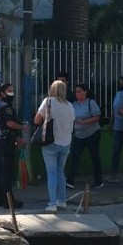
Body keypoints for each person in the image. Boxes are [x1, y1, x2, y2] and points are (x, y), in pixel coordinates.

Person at [35, 80, 75, 213]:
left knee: (51, 174)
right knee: (60, 173)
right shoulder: (70, 105)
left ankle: (52, 203)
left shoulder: (48, 102)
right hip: (66, 143)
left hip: (51, 142)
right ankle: (62, 201)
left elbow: (37, 120)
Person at [66, 83, 103, 190]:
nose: (77, 94)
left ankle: (98, 181)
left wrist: (84, 122)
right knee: (74, 157)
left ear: (85, 92)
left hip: (92, 133)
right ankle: (70, 181)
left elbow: (96, 117)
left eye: (79, 91)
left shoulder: (91, 103)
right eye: (76, 92)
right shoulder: (74, 105)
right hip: (78, 135)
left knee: (95, 156)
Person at [0, 82, 24, 209]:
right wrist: (23, 127)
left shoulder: (6, 105)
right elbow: (10, 123)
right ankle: (8, 200)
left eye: (12, 90)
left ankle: (0, 198)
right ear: (2, 93)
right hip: (6, 141)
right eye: (9, 90)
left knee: (2, 171)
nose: (12, 93)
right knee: (7, 172)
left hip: (7, 140)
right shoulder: (5, 106)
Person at [108, 75, 123, 183]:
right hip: (117, 126)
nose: (120, 86)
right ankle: (114, 175)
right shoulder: (118, 94)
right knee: (116, 151)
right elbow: (114, 109)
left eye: (122, 84)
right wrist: (111, 123)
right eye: (120, 84)